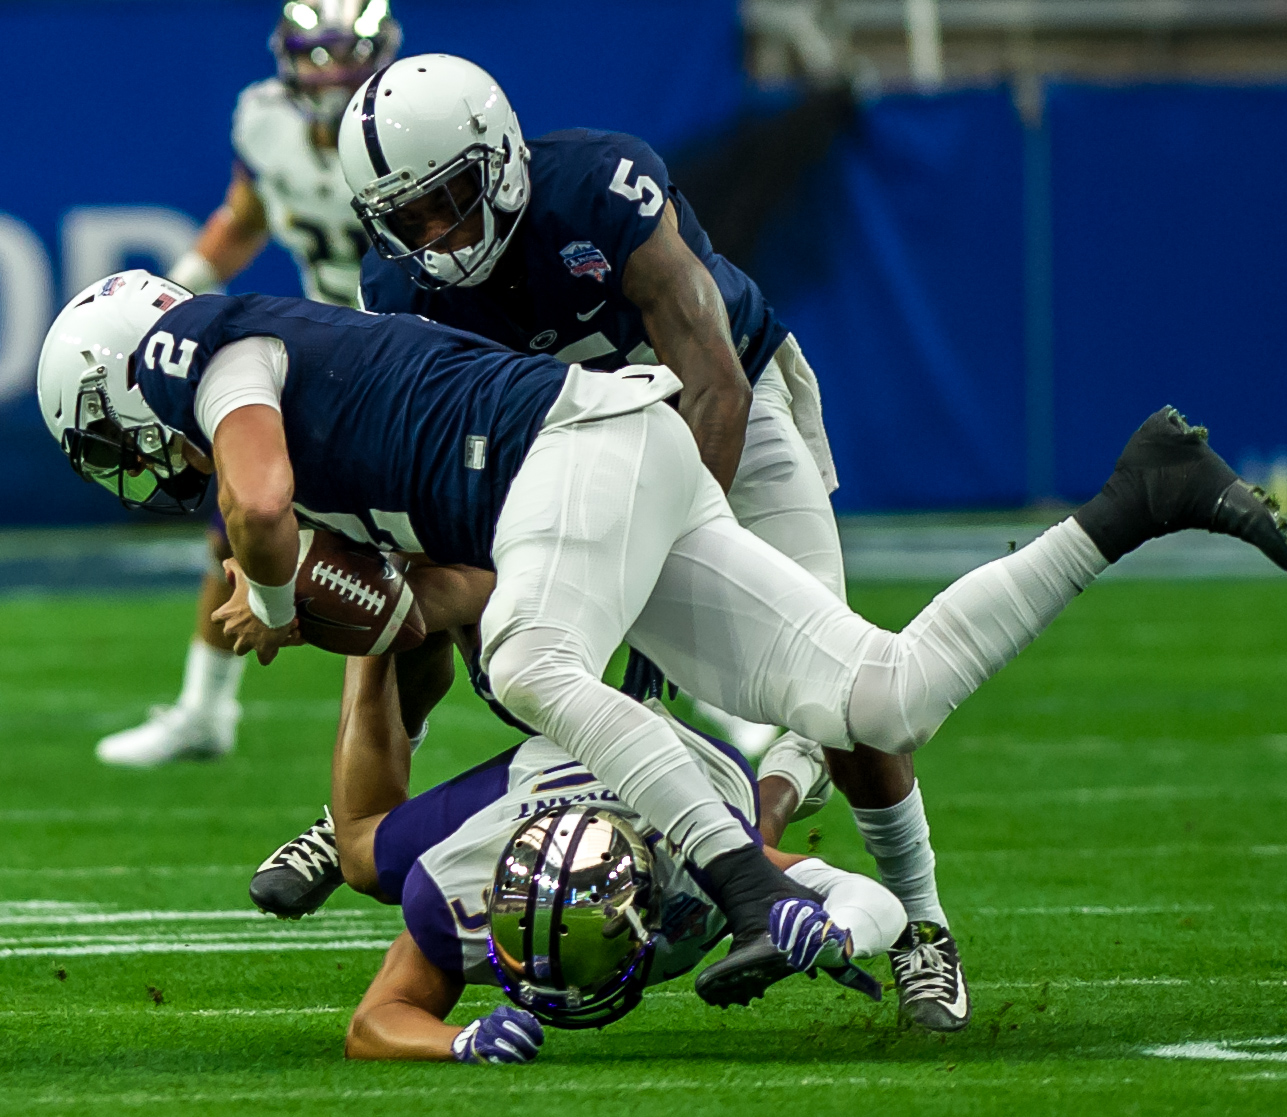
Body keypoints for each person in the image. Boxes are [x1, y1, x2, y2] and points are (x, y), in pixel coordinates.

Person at [33, 271, 1287, 1009]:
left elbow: (258, 505)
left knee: (533, 663)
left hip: (569, 451)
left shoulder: (200, 351)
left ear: (116, 376)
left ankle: (752, 889)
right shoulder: (305, 392)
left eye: (104, 434)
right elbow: (416, 593)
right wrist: (322, 600)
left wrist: (268, 599)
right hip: (611, 457)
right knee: (878, 697)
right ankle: (1141, 496)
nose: (128, 460)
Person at [335, 53, 968, 1029]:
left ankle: (923, 924)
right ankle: (750, 851)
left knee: (849, 696)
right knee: (501, 649)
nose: (435, 238)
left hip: (725, 419)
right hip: (567, 457)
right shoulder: (399, 289)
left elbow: (715, 381)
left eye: (449, 201)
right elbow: (440, 478)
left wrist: (637, 581)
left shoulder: (600, 192)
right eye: (406, 219)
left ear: (500, 160)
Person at [93, 0, 401, 768]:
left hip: (412, 352)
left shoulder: (406, 123)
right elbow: (247, 214)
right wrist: (175, 291)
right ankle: (204, 710)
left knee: (436, 548)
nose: (332, 73)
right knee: (235, 513)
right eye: (317, 55)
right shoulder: (264, 122)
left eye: (346, 53)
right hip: (325, 346)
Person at [329, 651, 903, 1063]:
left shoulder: (685, 859)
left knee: (745, 855)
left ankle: (795, 766)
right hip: (549, 772)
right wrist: (457, 1041)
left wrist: (836, 936)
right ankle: (371, 642)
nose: (567, 985)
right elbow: (373, 1021)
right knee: (361, 856)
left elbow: (870, 898)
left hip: (688, 770)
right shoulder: (456, 890)